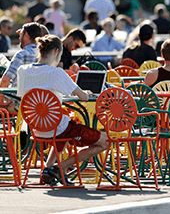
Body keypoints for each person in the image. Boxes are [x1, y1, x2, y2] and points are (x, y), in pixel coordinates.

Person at [17, 35, 109, 186]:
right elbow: (84, 97)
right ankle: (61, 167)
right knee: (105, 141)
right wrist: (85, 92)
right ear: (56, 52)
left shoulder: (23, 71)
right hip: (57, 128)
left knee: (64, 123)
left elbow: (28, 97)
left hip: (36, 128)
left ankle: (47, 169)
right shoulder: (56, 72)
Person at [0, 22, 43, 113]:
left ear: (26, 35)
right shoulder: (46, 54)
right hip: (40, 104)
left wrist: (1, 101)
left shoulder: (21, 55)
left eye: (21, 35)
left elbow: (5, 80)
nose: (19, 38)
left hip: (20, 103)